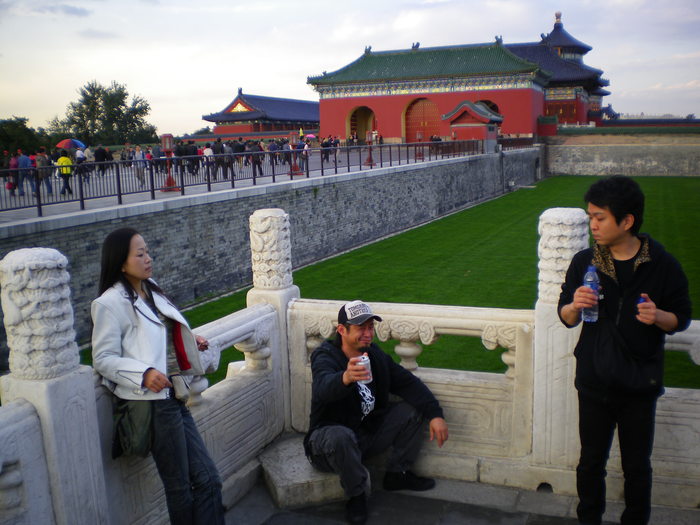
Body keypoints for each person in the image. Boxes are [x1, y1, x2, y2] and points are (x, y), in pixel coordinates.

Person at [557, 176, 691, 525]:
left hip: (638, 385)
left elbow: (682, 317)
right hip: (593, 381)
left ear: (627, 221)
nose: (593, 225)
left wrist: (659, 316)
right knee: (590, 463)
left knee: (636, 466)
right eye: (590, 217)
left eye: (600, 217)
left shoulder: (662, 265)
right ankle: (589, 519)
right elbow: (566, 317)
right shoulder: (584, 262)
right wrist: (574, 304)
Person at [91, 228, 225, 525]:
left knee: (208, 479)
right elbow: (102, 358)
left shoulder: (149, 287)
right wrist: (143, 373)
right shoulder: (109, 304)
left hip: (175, 395)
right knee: (181, 490)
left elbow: (162, 333)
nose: (148, 258)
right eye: (140, 254)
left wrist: (191, 340)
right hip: (154, 405)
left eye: (147, 251)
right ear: (121, 262)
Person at [304, 300, 449, 524]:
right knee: (341, 436)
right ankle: (357, 495)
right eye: (361, 328)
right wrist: (345, 378)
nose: (368, 333)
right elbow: (323, 387)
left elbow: (407, 383)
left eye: (370, 327)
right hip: (327, 444)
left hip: (365, 435)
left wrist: (436, 415)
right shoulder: (326, 357)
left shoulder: (375, 355)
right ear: (342, 330)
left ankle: (397, 474)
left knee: (413, 409)